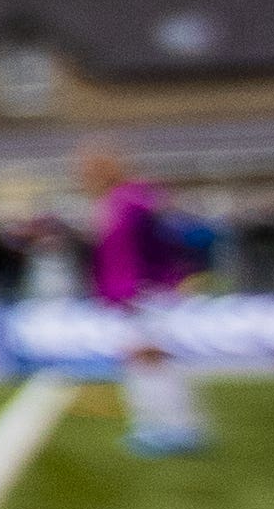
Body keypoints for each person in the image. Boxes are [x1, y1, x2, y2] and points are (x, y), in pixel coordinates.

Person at [85, 144, 210, 456]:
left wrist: (138, 286)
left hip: (144, 293)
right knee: (144, 362)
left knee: (150, 360)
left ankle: (175, 428)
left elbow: (149, 245)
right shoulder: (121, 201)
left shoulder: (130, 201)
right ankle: (163, 426)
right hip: (135, 293)